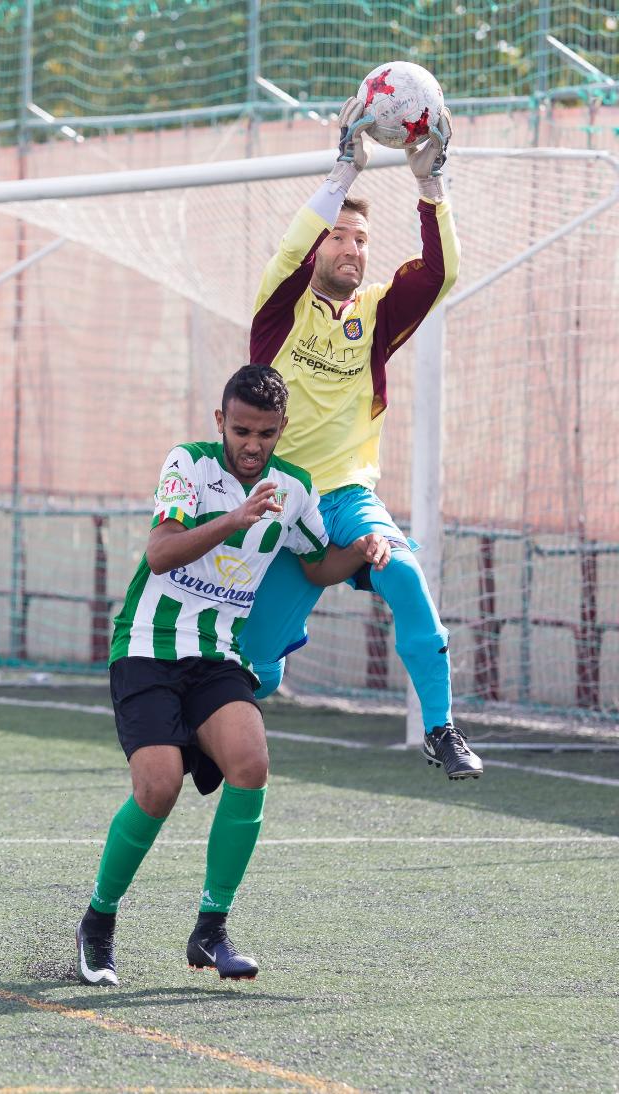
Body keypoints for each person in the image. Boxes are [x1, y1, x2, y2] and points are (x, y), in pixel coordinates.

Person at [75, 364, 390, 987]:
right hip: (146, 648)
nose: (252, 444)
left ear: (281, 430)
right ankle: (99, 923)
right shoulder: (188, 465)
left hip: (218, 655)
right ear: (222, 422)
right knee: (158, 789)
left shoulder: (294, 488)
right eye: (241, 430)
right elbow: (161, 553)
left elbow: (316, 565)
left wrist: (364, 552)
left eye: (265, 433)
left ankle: (210, 929)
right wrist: (234, 520)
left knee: (251, 763)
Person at [241, 98, 483, 781]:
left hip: (347, 494)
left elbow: (441, 275)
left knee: (404, 572)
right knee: (256, 672)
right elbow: (291, 250)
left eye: (360, 240)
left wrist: (431, 185)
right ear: (319, 244)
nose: (350, 247)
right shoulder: (278, 310)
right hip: (278, 503)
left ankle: (441, 728)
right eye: (339, 236)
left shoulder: (374, 316)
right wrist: (343, 174)